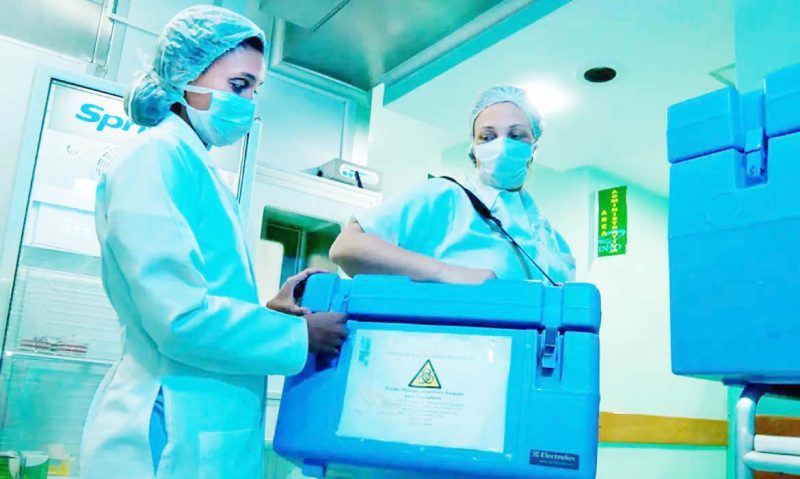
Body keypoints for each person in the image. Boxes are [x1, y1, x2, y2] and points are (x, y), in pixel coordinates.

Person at [79, 6, 346, 479]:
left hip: (198, 421)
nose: (248, 102)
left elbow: (198, 298)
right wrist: (300, 335)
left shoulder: (194, 166)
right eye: (238, 85)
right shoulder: (155, 157)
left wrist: (270, 312)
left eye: (254, 90)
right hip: (168, 426)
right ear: (185, 78)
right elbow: (178, 319)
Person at [330, 86, 575, 285]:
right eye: (487, 137)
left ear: (534, 147)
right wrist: (447, 273)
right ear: (474, 148)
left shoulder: (550, 238)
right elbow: (347, 247)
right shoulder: (445, 196)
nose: (501, 145)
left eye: (516, 135)